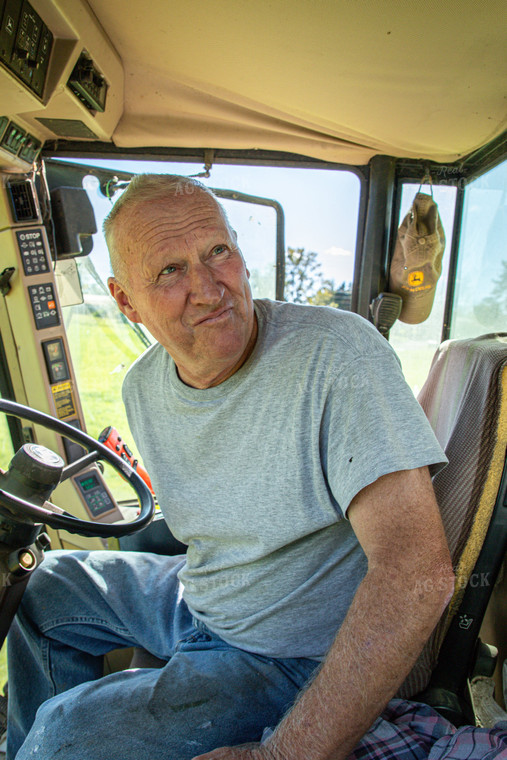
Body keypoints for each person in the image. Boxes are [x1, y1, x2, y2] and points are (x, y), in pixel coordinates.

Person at [7, 175, 454, 760]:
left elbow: (417, 575)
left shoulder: (338, 357)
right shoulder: (143, 386)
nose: (208, 288)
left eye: (219, 252)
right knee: (41, 587)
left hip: (289, 652)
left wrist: (282, 756)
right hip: (201, 600)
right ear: (125, 301)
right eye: (169, 271)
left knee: (65, 735)